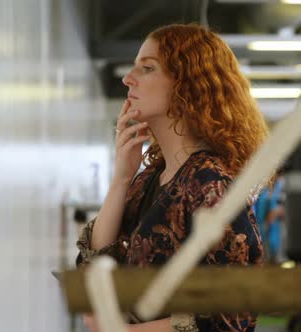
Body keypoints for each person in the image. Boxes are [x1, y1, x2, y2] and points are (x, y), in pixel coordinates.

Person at [76, 23, 268, 332]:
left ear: (188, 85)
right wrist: (122, 178)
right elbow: (98, 262)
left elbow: (233, 314)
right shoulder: (152, 177)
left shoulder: (211, 184)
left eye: (147, 68)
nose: (128, 79)